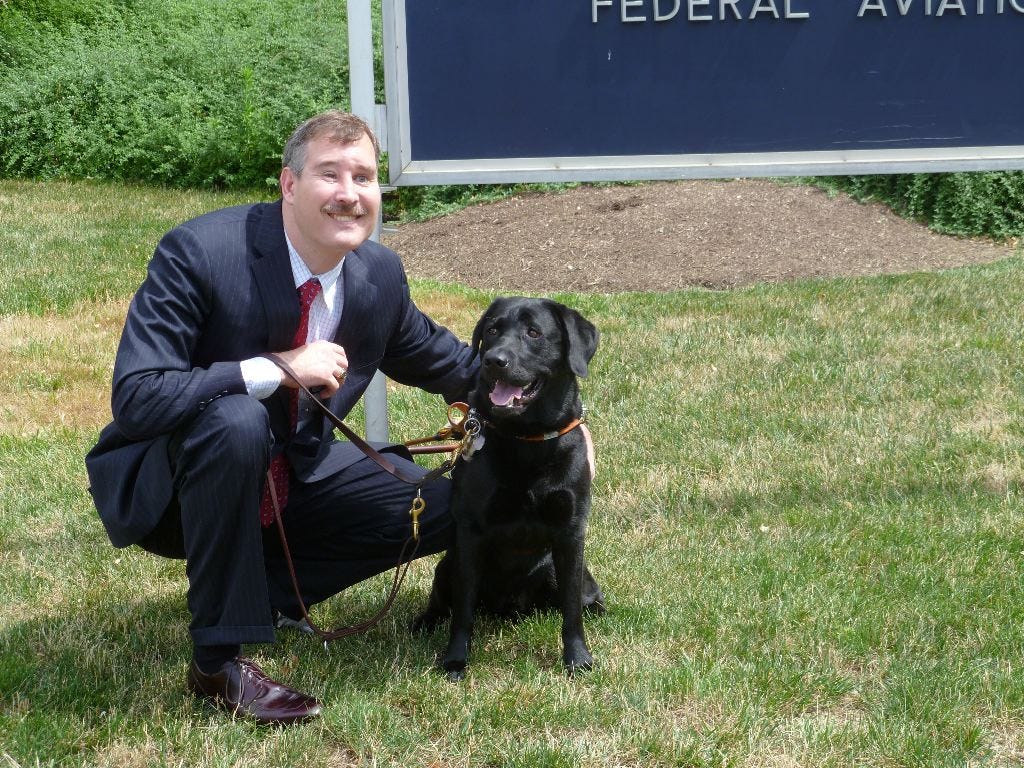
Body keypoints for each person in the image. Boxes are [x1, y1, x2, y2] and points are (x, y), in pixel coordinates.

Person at [85, 111, 477, 725]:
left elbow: (452, 364)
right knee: (237, 420)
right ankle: (218, 663)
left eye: (365, 177)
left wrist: (557, 416)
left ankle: (261, 592)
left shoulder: (377, 275)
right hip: (176, 491)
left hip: (296, 474)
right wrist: (275, 367)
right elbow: (139, 397)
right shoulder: (201, 252)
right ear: (288, 185)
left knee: (448, 501)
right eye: (329, 174)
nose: (350, 194)